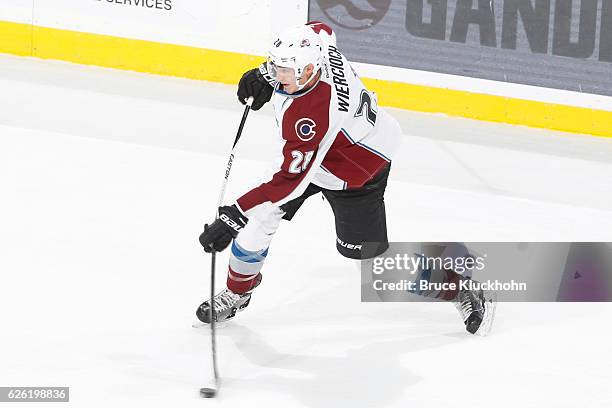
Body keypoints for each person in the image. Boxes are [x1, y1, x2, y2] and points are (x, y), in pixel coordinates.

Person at [196, 22, 495, 335]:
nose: (278, 76)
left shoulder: (311, 113)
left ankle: (460, 285)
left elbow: (289, 182)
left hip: (355, 168)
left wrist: (233, 216)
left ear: (309, 70)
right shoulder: (320, 47)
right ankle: (238, 293)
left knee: (373, 269)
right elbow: (320, 28)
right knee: (259, 224)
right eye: (276, 66)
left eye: (285, 70)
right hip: (323, 150)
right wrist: (263, 72)